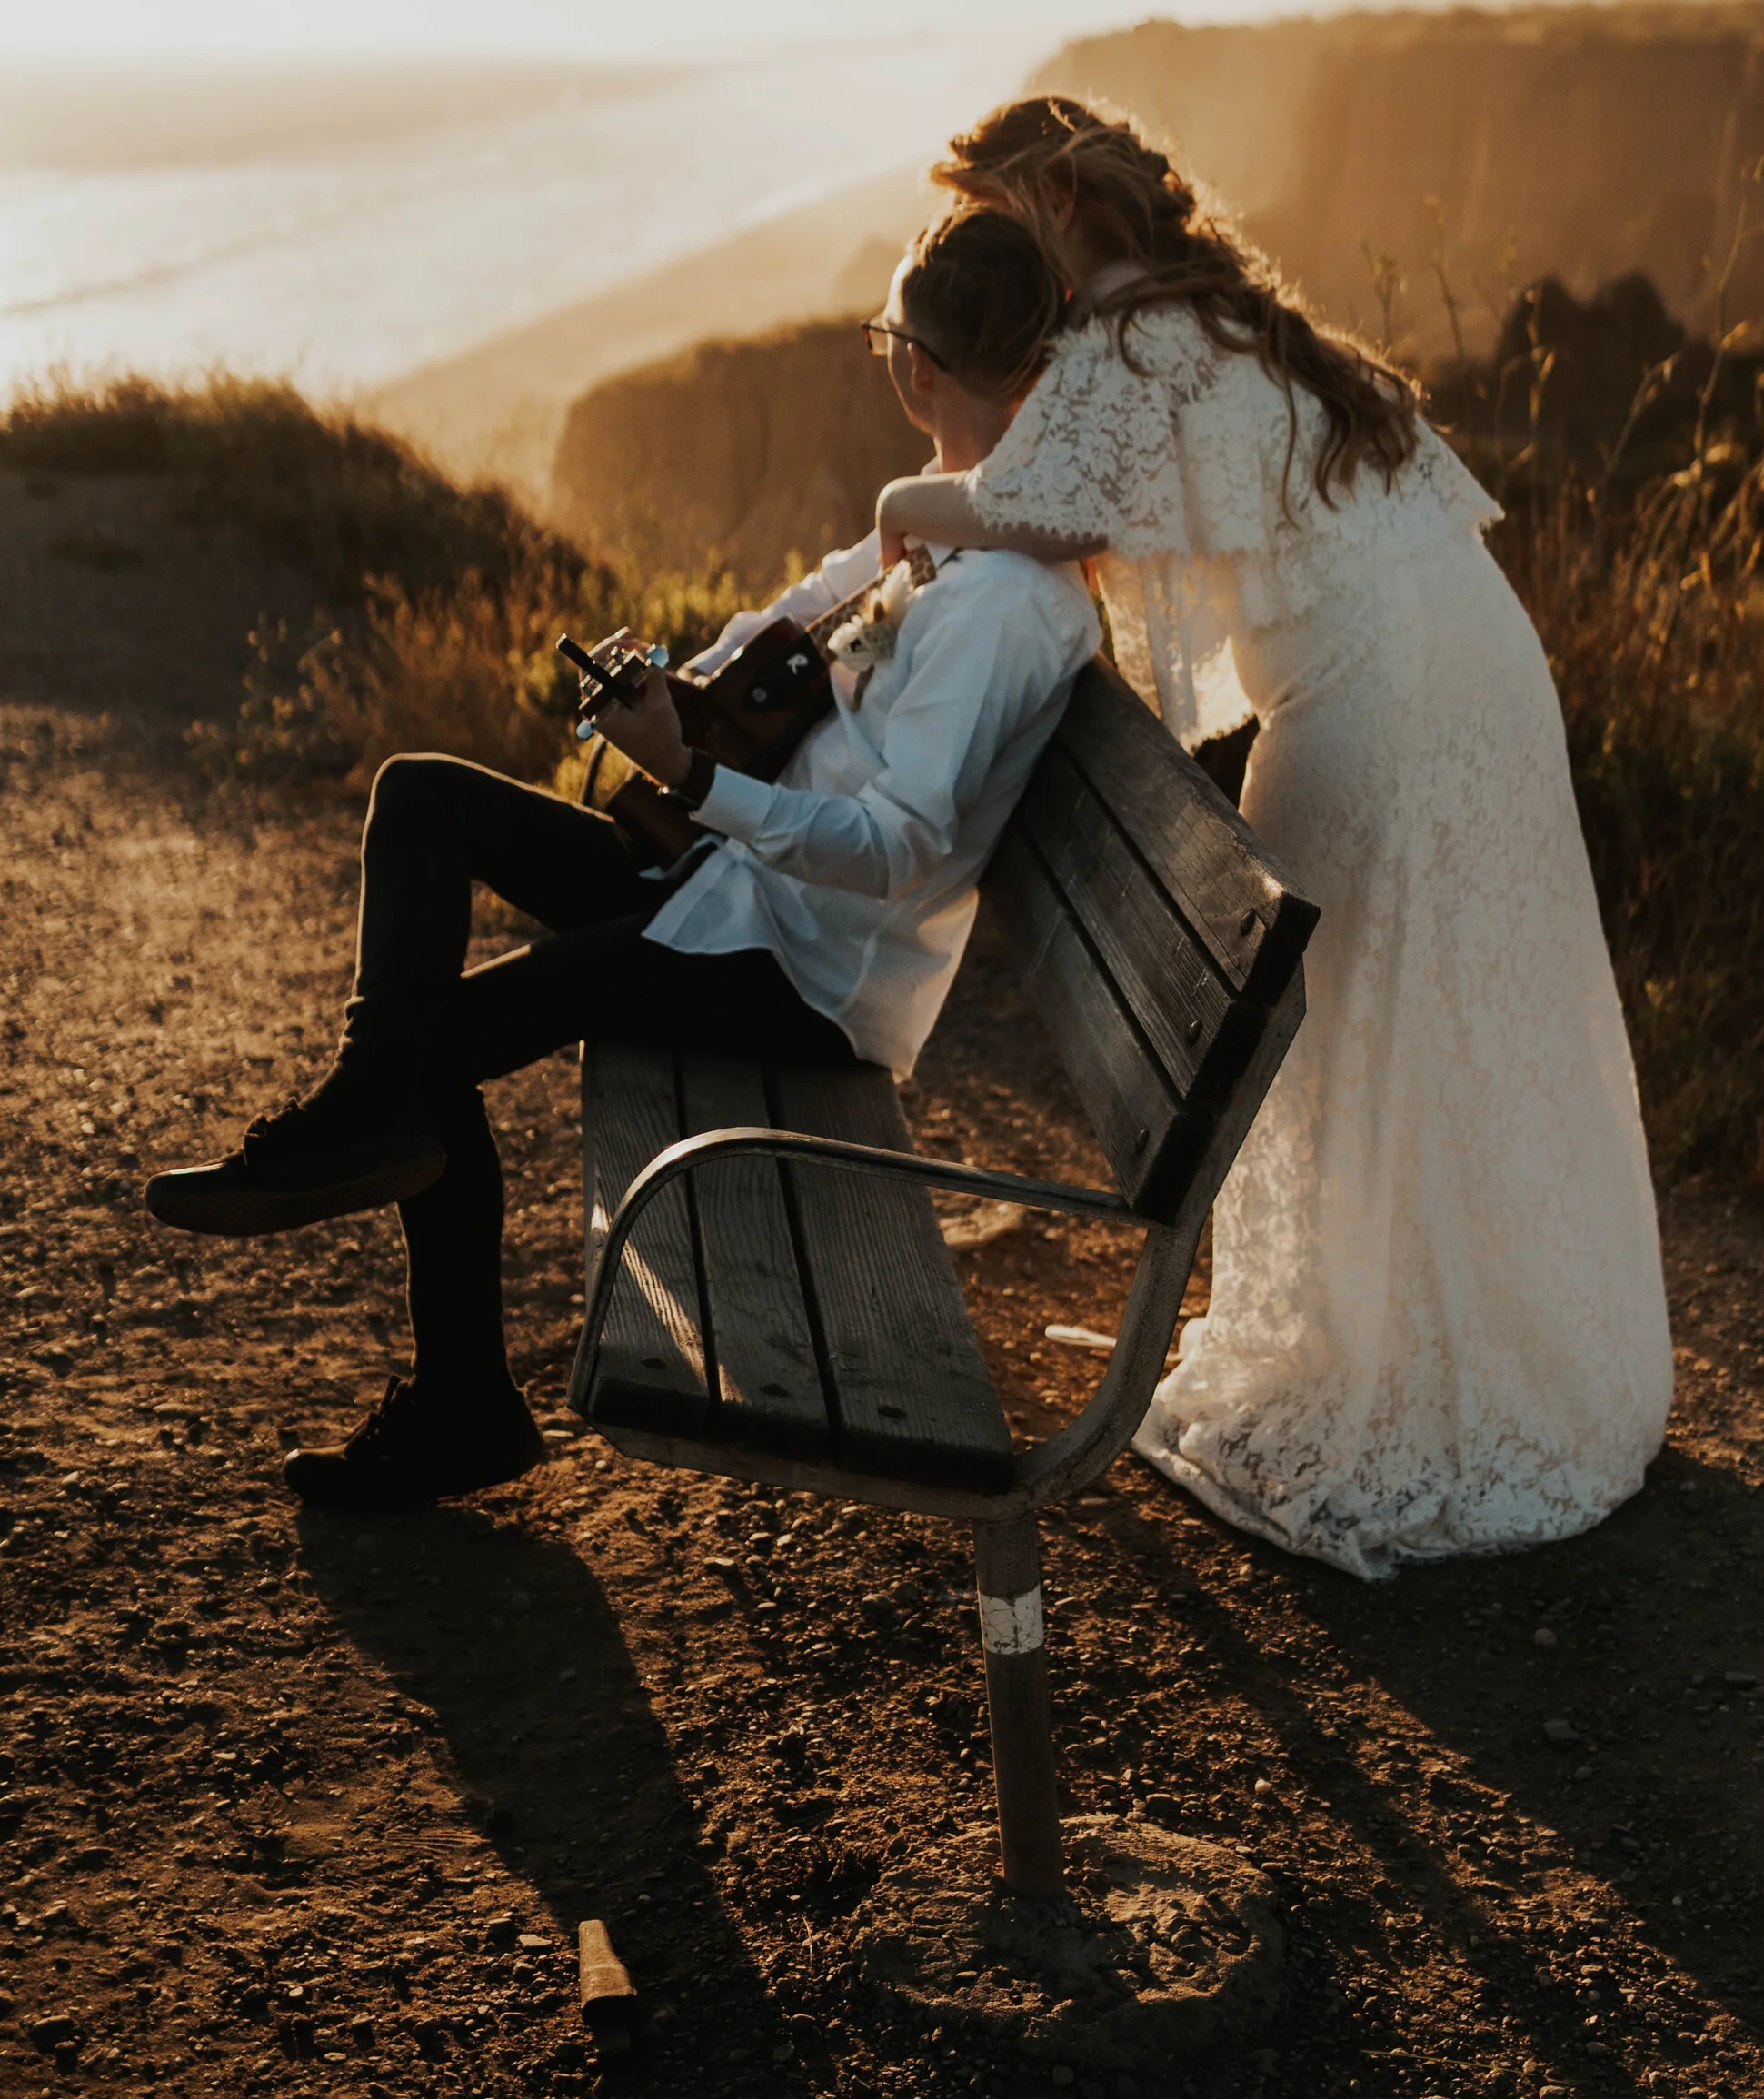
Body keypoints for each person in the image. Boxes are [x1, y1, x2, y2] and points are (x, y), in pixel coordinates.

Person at [145, 208, 1099, 1513]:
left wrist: (694, 776)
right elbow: (802, 619)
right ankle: (375, 1125)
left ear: (918, 365)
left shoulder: (1003, 605)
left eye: (888, 336)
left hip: (804, 973)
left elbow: (894, 850)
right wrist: (684, 689)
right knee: (419, 797)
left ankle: (461, 1398)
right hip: (730, 885)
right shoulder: (949, 526)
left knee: (435, 1038)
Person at [876, 96, 1673, 1581]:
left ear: (1057, 201)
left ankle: (1405, 1382)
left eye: (997, 209)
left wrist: (893, 500)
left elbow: (1030, 511)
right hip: (1480, 670)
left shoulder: (1130, 336)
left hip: (1378, 702)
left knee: (1359, 1026)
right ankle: (1512, 1356)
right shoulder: (1233, 312)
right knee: (1460, 1023)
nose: (991, 241)